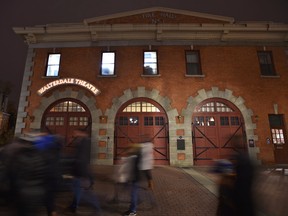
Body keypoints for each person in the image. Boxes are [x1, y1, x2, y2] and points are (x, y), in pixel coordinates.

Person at [67, 128, 101, 214]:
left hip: (81, 170)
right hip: (79, 170)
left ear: (81, 132)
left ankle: (96, 207)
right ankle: (73, 206)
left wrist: (78, 169)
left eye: (75, 132)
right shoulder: (82, 141)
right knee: (76, 189)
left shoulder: (85, 141)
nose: (74, 133)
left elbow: (82, 158)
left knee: (83, 192)